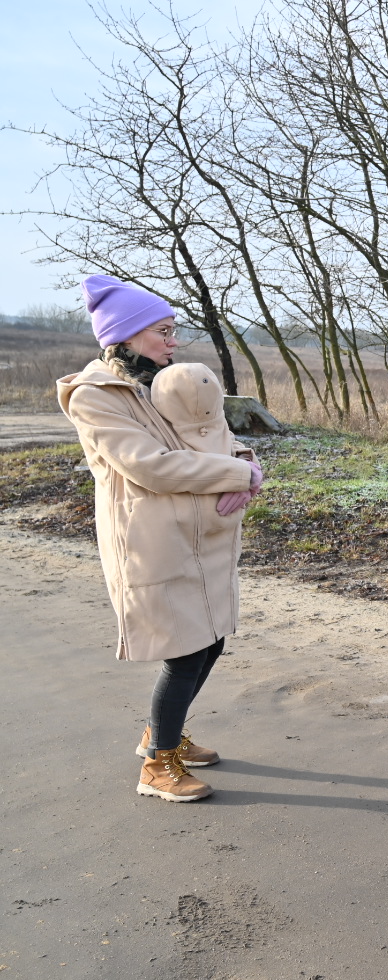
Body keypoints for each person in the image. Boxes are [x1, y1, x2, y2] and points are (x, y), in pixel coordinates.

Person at [57, 276, 262, 804]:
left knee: (213, 637)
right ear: (124, 336)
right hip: (153, 539)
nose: (173, 342)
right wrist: (235, 476)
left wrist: (243, 457)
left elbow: (204, 433)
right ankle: (157, 765)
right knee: (185, 649)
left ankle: (161, 732)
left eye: (174, 331)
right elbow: (150, 466)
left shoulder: (156, 381)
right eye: (163, 331)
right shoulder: (96, 395)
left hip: (200, 535)